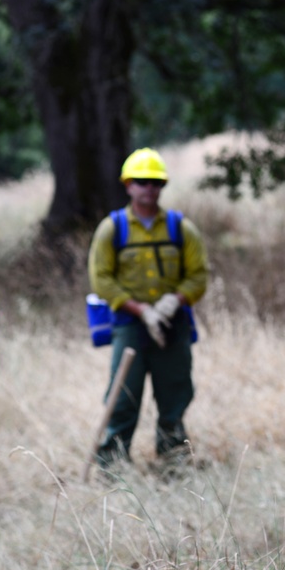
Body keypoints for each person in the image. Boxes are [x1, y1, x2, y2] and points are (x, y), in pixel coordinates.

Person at [87, 148, 208, 467]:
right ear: (128, 185)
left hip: (173, 324)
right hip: (130, 326)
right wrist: (141, 311)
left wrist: (173, 301)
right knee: (123, 398)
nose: (148, 189)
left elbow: (198, 275)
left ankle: (175, 462)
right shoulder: (112, 229)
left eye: (155, 182)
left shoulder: (180, 228)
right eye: (141, 182)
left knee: (175, 396)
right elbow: (101, 279)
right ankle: (112, 468)